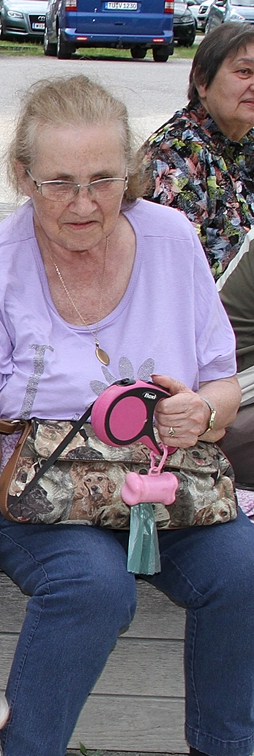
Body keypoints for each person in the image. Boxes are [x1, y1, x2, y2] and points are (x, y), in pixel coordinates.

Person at [0, 74, 254, 756]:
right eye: (60, 183)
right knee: (93, 586)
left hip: (163, 485)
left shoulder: (174, 240)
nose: (84, 204)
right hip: (44, 494)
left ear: (132, 172)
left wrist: (200, 410)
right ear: (22, 176)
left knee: (242, 564)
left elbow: (224, 387)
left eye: (104, 180)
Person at [143, 23, 254, 487]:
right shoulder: (175, 156)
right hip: (196, 361)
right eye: (244, 71)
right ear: (202, 81)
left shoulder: (246, 145)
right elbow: (163, 288)